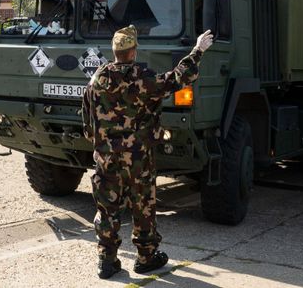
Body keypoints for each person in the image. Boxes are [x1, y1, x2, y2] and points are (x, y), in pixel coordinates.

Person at [81, 25, 213, 279]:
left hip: (107, 157)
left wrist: (102, 147)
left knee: (107, 208)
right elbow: (178, 78)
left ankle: (106, 262)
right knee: (143, 206)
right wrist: (197, 51)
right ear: (133, 52)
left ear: (115, 51)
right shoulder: (143, 78)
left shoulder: (97, 79)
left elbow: (87, 122)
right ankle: (146, 258)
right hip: (138, 158)